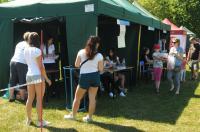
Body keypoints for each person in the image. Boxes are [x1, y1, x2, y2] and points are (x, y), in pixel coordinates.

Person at [64, 36, 103, 122]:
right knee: (92, 98)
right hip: (95, 76)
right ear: (97, 44)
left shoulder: (81, 52)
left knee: (77, 98)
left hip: (84, 76)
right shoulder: (99, 55)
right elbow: (101, 69)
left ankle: (73, 116)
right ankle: (89, 118)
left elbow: (77, 65)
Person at [24, 32, 51, 126]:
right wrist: (47, 79)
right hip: (37, 75)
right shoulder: (37, 51)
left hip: (29, 75)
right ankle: (40, 121)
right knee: (39, 99)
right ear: (38, 40)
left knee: (30, 98)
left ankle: (29, 120)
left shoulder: (26, 50)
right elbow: (41, 67)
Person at [9, 32, 30, 102]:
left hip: (13, 61)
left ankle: (11, 97)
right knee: (22, 81)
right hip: (21, 63)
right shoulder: (29, 45)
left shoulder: (19, 43)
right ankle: (23, 98)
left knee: (12, 80)